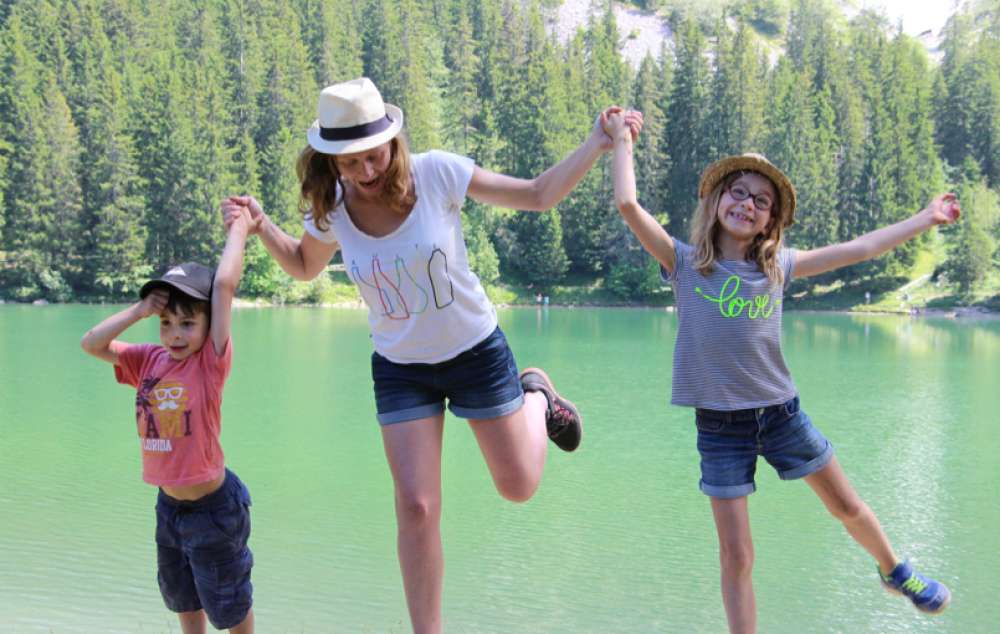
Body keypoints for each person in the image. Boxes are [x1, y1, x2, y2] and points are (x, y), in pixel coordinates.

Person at [220, 77, 641, 633]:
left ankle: (536, 397)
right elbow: (304, 265)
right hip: (399, 368)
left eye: (374, 156)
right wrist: (258, 225)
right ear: (330, 162)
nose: (366, 172)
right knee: (416, 508)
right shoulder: (333, 208)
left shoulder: (437, 172)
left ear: (394, 143)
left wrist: (597, 142)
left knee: (519, 486)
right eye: (350, 164)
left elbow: (538, 195)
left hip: (474, 351)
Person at [605, 110, 957, 633]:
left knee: (847, 507)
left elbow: (859, 249)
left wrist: (925, 218)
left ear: (771, 221)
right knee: (738, 556)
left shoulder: (778, 267)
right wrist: (620, 142)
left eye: (761, 201)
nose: (747, 204)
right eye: (738, 192)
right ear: (716, 201)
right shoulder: (682, 263)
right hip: (720, 429)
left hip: (782, 415)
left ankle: (894, 569)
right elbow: (628, 204)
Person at [80, 208, 256, 633]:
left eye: (188, 323)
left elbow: (226, 286)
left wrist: (240, 229)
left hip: (213, 509)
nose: (176, 334)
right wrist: (139, 311)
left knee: (228, 604)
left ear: (209, 326)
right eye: (167, 322)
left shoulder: (208, 364)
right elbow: (91, 344)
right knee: (182, 596)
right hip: (169, 507)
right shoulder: (149, 360)